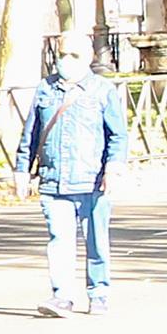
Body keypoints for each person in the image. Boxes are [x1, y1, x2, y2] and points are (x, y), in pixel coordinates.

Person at [14, 32, 128, 317]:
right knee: (59, 240)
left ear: (88, 57)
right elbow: (31, 133)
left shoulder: (102, 90)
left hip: (92, 181)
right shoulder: (45, 89)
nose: (67, 61)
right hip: (54, 182)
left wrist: (114, 167)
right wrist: (21, 170)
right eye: (63, 54)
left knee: (96, 241)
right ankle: (62, 297)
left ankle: (98, 292)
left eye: (74, 56)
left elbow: (117, 135)